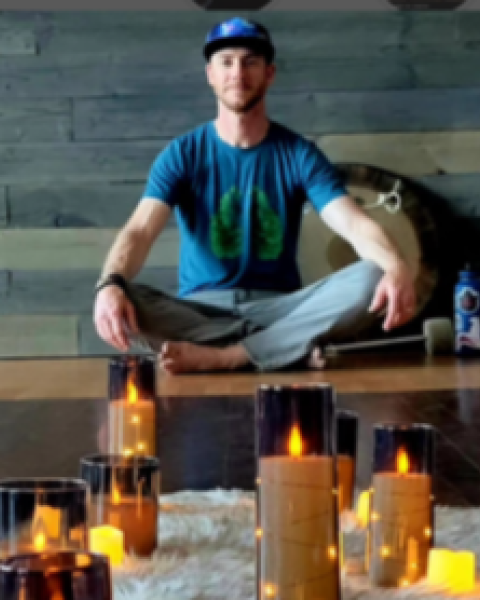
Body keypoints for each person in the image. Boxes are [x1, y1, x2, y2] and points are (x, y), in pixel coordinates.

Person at [93, 17, 416, 374]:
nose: (238, 72)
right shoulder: (182, 153)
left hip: (281, 306)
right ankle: (282, 348)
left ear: (269, 73)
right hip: (199, 310)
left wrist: (396, 266)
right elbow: (139, 231)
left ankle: (227, 356)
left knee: (372, 275)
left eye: (250, 61)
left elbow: (353, 224)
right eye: (226, 62)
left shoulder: (298, 153)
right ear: (210, 75)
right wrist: (110, 284)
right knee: (124, 297)